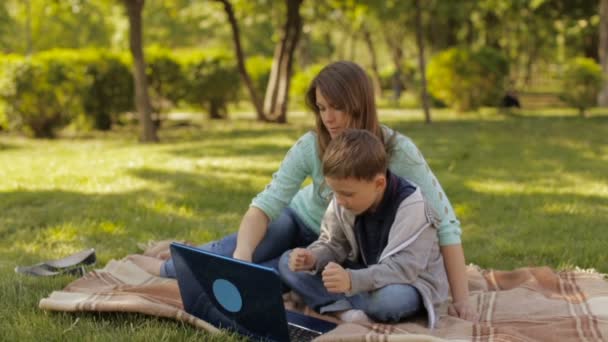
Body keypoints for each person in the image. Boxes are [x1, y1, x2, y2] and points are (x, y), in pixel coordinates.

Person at [128, 61, 476, 321]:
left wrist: (460, 298)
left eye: (337, 107)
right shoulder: (310, 145)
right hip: (304, 224)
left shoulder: (399, 152)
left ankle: (239, 272)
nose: (329, 118)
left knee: (272, 274)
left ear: (359, 104)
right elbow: (265, 205)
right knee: (233, 252)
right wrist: (243, 257)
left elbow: (445, 224)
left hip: (351, 247)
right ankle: (158, 263)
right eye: (322, 108)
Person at [279, 129, 448, 327]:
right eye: (335, 192)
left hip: (409, 283)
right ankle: (345, 312)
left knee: (388, 302)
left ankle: (330, 300)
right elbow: (333, 244)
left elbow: (403, 269)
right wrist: (312, 258)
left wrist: (351, 280)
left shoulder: (413, 207)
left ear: (379, 183)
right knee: (286, 262)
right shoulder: (344, 198)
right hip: (364, 274)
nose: (340, 201)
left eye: (347, 194)